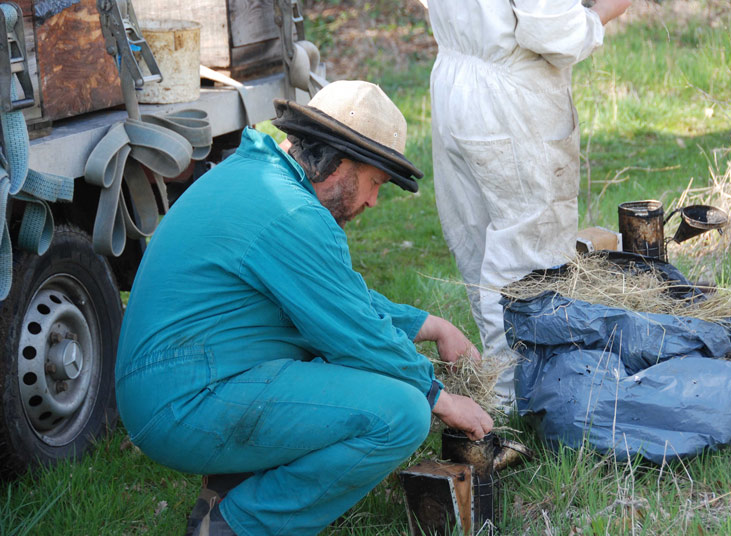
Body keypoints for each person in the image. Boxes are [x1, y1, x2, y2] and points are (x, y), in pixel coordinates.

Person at [115, 80, 493, 536]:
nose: (374, 201)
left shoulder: (262, 180)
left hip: (174, 383)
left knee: (329, 361)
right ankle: (237, 526)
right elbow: (355, 335)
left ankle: (230, 489)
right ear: (340, 162)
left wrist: (432, 326)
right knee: (402, 415)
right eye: (375, 183)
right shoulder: (292, 215)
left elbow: (335, 298)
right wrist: (442, 398)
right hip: (181, 402)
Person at [428, 0, 632, 407]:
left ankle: (499, 387)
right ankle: (520, 402)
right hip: (512, 93)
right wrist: (602, 14)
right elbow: (550, 29)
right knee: (526, 259)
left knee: (479, 240)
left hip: (455, 79)